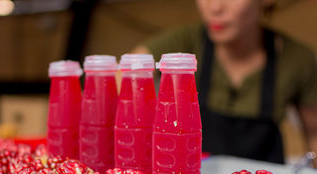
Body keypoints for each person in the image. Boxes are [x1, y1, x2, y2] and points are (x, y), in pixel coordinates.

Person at [132, 0, 317, 165]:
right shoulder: (186, 41)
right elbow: (126, 75)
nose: (215, 7)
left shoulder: (298, 60)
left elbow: (314, 139)